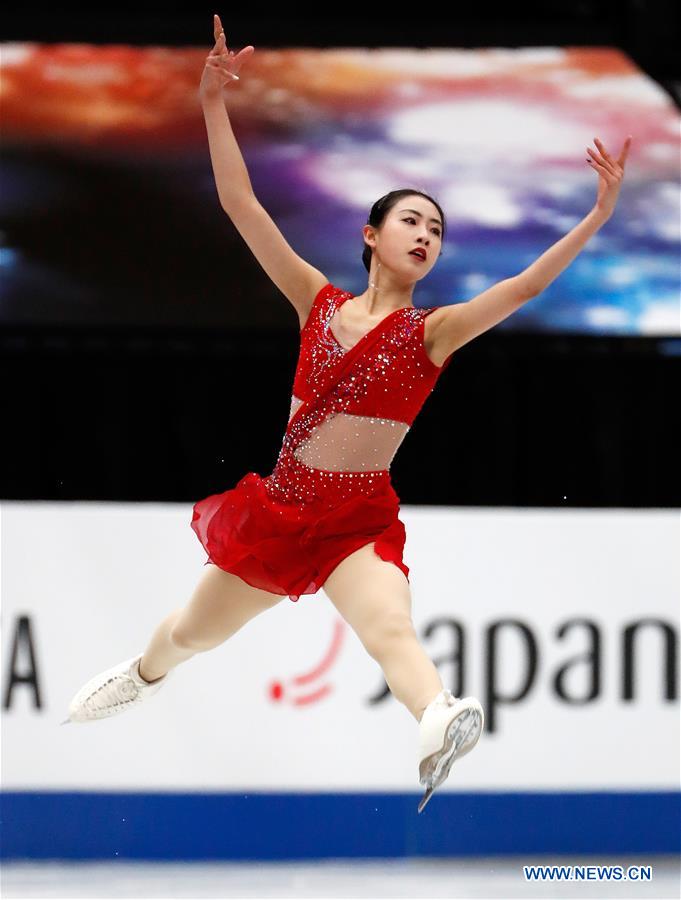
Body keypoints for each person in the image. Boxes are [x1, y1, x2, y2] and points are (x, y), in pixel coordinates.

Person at [64, 14, 631, 814]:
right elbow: (239, 203)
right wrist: (212, 105)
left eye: (436, 229)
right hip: (279, 511)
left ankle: (437, 718)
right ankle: (141, 675)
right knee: (191, 634)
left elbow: (525, 288)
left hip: (353, 521)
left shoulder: (433, 333)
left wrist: (597, 215)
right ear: (371, 235)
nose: (425, 235)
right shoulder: (314, 302)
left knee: (388, 627)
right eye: (412, 221)